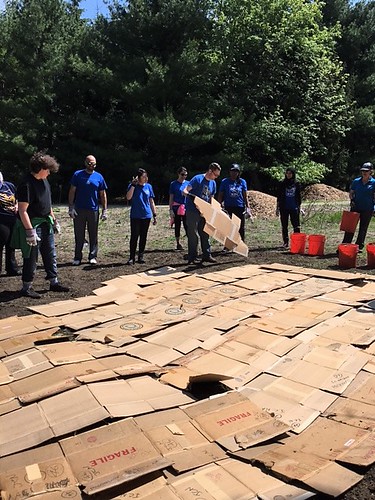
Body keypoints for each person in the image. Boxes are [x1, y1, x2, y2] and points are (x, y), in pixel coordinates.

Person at [11, 152, 69, 299]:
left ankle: (53, 282)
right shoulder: (26, 184)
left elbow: (47, 204)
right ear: (40, 168)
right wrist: (30, 232)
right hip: (33, 224)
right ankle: (27, 286)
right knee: (31, 256)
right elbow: (23, 210)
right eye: (48, 169)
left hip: (45, 223)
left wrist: (54, 220)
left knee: (50, 254)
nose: (49, 173)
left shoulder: (44, 181)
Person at [68, 155, 108, 266]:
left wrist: (104, 210)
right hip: (79, 209)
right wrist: (71, 207)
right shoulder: (78, 175)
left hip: (93, 210)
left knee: (93, 234)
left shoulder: (99, 177)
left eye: (94, 164)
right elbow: (72, 191)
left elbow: (102, 194)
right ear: (85, 163)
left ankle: (92, 256)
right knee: (79, 234)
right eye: (90, 163)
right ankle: (77, 257)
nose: (92, 166)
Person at [183, 162, 221, 265]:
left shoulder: (213, 183)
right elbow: (185, 190)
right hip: (193, 211)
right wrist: (189, 196)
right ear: (210, 171)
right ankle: (192, 257)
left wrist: (213, 208)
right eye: (215, 175)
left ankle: (207, 255)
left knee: (205, 233)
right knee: (193, 234)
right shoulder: (197, 179)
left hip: (205, 212)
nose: (216, 177)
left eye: (218, 175)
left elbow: (211, 197)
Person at [126, 168, 157, 265]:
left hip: (146, 215)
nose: (146, 178)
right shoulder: (132, 186)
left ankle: (141, 256)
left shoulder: (148, 187)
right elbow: (128, 197)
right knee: (134, 236)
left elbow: (151, 201)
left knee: (143, 236)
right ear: (138, 178)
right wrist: (133, 185)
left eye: (146, 176)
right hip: (136, 215)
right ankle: (132, 257)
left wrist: (154, 214)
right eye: (143, 177)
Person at [342, 162, 375, 251]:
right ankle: (345, 244)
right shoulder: (356, 181)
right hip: (355, 207)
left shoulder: (374, 183)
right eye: (363, 171)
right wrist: (352, 200)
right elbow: (351, 193)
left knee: (363, 228)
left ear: (371, 172)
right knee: (350, 227)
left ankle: (359, 246)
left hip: (368, 209)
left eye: (366, 171)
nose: (364, 172)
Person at [217, 163, 251, 243]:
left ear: (238, 173)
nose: (234, 173)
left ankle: (241, 243)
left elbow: (245, 196)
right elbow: (220, 195)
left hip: (239, 207)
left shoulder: (242, 182)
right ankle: (227, 244)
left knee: (241, 227)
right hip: (229, 207)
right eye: (232, 171)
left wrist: (248, 207)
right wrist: (219, 205)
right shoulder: (225, 182)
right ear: (229, 172)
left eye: (236, 171)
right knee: (228, 226)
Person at [276, 167, 302, 248]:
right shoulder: (282, 183)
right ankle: (286, 242)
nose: (288, 175)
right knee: (284, 225)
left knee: (296, 226)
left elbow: (299, 196)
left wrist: (299, 207)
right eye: (287, 173)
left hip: (294, 207)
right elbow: (279, 196)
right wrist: (277, 208)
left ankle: (297, 242)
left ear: (293, 174)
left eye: (290, 173)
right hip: (284, 207)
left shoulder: (296, 184)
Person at [0, 171, 19, 276]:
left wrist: (16, 205)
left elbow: (17, 197)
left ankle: (11, 268)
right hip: (1, 219)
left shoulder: (9, 186)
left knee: (11, 244)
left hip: (12, 218)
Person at [169, 167, 189, 251]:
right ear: (178, 174)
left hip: (185, 207)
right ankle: (178, 243)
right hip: (176, 207)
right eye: (182, 175)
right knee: (177, 225)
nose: (184, 176)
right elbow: (171, 197)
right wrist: (170, 209)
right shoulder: (173, 184)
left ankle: (190, 242)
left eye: (186, 175)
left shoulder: (188, 183)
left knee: (187, 225)